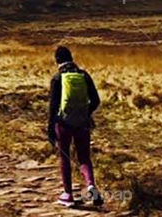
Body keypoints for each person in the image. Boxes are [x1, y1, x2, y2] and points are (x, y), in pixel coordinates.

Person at [47, 45, 103, 207]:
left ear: (57, 60)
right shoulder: (84, 75)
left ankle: (68, 195)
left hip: (63, 124)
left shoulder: (57, 78)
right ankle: (91, 186)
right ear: (71, 57)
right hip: (82, 123)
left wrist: (51, 127)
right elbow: (96, 100)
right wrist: (85, 113)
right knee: (84, 157)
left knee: (64, 158)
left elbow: (53, 107)